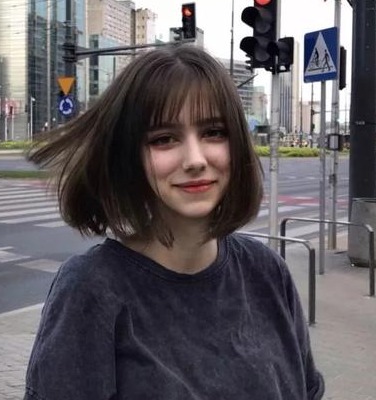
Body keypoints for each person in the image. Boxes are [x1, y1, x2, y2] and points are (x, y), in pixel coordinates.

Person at [24, 45, 324, 400]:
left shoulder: (267, 272)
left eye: (214, 132)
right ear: (129, 156)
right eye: (164, 139)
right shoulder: (91, 290)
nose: (195, 160)